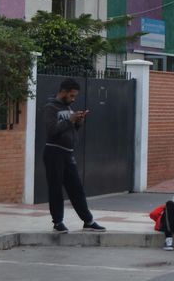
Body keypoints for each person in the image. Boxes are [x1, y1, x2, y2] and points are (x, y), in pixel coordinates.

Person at [43, 78, 106, 233]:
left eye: (75, 96)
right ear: (63, 92)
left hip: (67, 153)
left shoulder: (68, 107)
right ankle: (58, 222)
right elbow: (51, 130)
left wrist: (78, 122)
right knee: (55, 188)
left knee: (76, 188)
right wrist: (70, 120)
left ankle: (88, 221)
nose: (73, 99)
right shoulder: (50, 107)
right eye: (71, 95)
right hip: (54, 152)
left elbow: (70, 130)